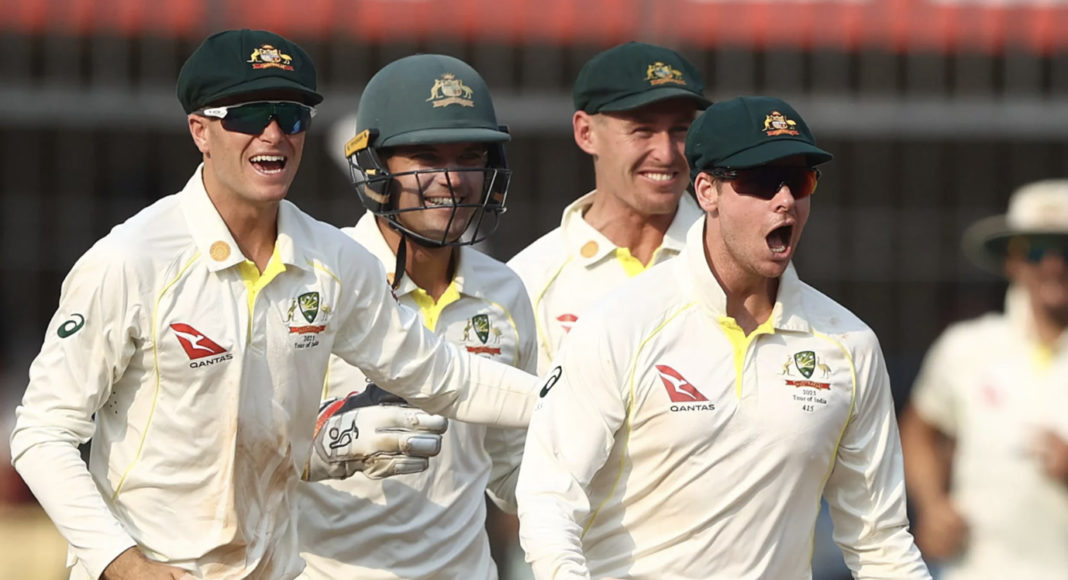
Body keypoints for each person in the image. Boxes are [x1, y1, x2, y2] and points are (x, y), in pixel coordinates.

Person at [8, 29, 539, 580]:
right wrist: (123, 563)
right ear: (200, 131)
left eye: (292, 116)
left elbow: (447, 378)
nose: (273, 134)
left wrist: (579, 398)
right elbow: (42, 433)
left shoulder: (334, 261)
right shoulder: (131, 259)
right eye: (247, 115)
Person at [515, 96, 931, 579]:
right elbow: (549, 496)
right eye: (758, 181)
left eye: (799, 181)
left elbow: (880, 540)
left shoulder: (849, 342)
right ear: (707, 191)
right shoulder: (622, 321)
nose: (784, 201)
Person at [297, 54, 536, 579]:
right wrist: (327, 439)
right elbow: (249, 445)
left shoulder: (505, 293)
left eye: (470, 157)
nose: (452, 180)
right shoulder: (317, 279)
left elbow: (513, 468)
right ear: (376, 170)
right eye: (425, 158)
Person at [508, 41, 711, 375]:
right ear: (586, 133)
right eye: (642, 130)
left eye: (681, 130)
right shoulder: (530, 280)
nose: (666, 153)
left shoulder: (734, 259)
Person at [900, 180, 1068, 579]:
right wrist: (932, 505)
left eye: (1065, 249)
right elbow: (919, 428)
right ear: (1012, 259)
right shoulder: (966, 347)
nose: (1053, 264)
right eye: (1036, 249)